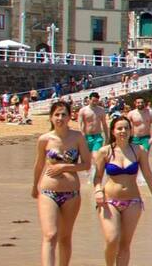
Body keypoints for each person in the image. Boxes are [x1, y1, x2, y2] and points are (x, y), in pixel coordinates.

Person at [92, 115, 152, 266]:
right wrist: (98, 191)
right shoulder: (104, 152)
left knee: (125, 244)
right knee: (112, 239)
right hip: (109, 201)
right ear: (113, 131)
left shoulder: (139, 150)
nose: (123, 131)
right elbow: (97, 177)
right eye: (119, 128)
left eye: (126, 128)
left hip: (133, 201)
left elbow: (148, 175)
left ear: (131, 131)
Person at [33, 101, 91, 266]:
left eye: (63, 114)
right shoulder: (44, 139)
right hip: (47, 192)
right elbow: (38, 165)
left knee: (65, 238)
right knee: (50, 234)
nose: (60, 118)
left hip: (71, 194)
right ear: (51, 117)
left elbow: (87, 164)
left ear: (69, 116)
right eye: (57, 114)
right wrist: (34, 186)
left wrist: (65, 166)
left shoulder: (78, 137)